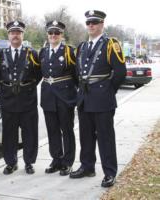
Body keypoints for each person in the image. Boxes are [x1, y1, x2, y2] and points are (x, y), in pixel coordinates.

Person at [69, 10, 126, 188]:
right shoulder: (82, 47)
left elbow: (120, 72)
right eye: (89, 23)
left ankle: (109, 172)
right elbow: (77, 73)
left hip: (102, 99)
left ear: (102, 24)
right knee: (85, 136)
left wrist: (108, 91)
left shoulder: (111, 44)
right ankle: (87, 166)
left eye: (95, 22)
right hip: (84, 98)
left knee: (105, 137)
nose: (91, 26)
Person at [0, 20, 42, 175]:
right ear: (8, 35)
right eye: (12, 32)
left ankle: (29, 162)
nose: (15, 35)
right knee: (9, 134)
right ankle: (11, 162)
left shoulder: (32, 53)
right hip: (8, 100)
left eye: (18, 32)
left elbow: (38, 75)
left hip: (27, 100)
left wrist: (27, 86)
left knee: (30, 133)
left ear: (23, 34)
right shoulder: (1, 54)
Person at [39, 20, 78, 175]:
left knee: (67, 130)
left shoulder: (69, 51)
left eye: (57, 33)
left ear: (62, 35)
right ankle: (56, 159)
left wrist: (74, 95)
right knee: (52, 130)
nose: (53, 35)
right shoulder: (42, 52)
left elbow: (76, 76)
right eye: (51, 33)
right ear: (47, 35)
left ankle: (67, 162)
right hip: (48, 97)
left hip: (65, 97)